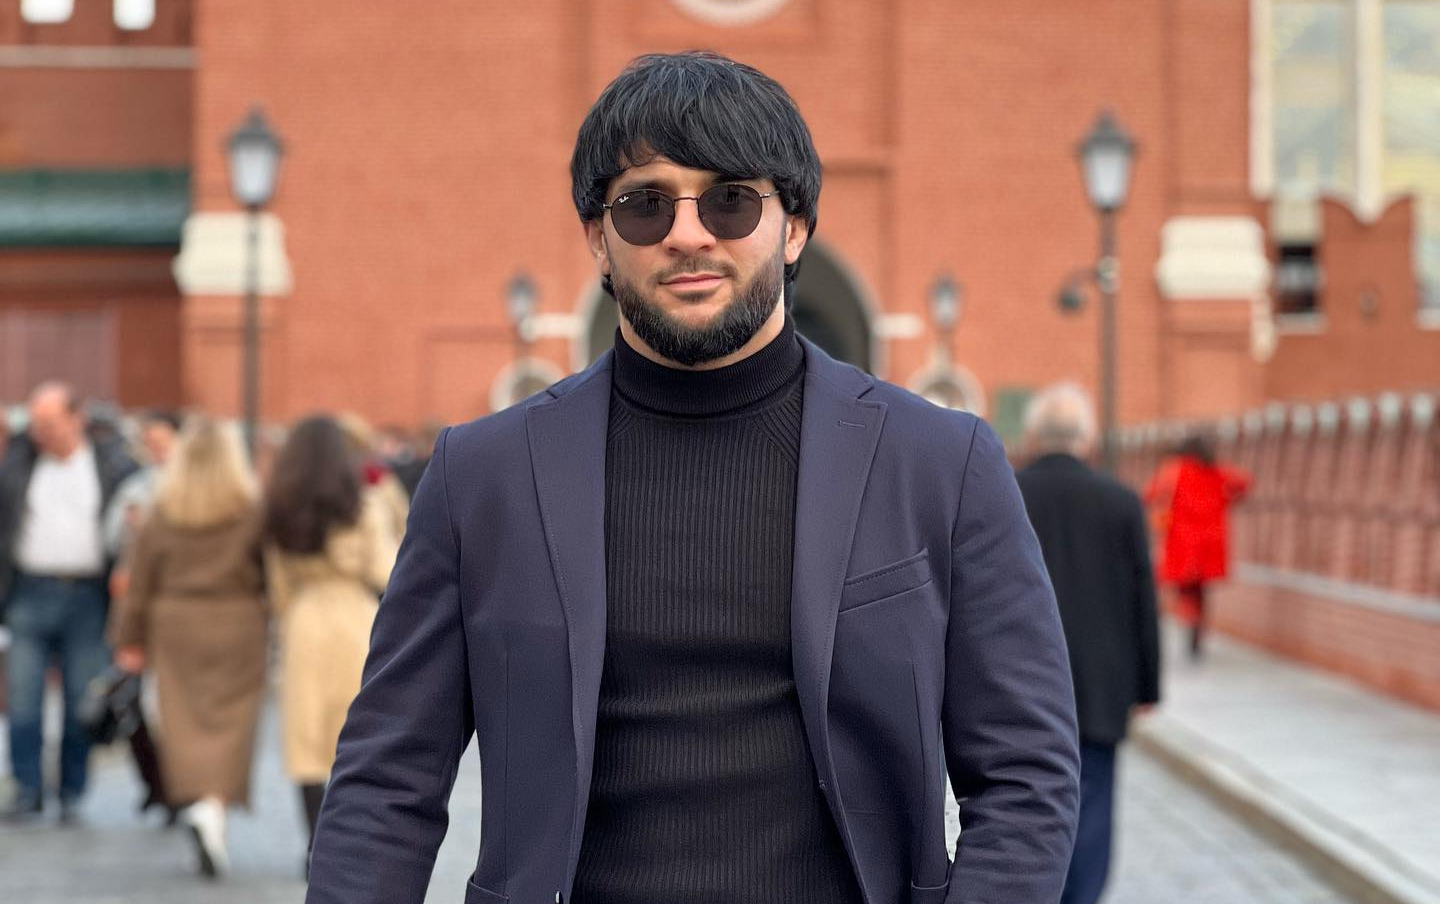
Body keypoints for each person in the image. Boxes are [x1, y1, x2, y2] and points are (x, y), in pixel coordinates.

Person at [306, 52, 1079, 904]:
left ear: (794, 227)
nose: (688, 234)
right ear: (598, 239)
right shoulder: (481, 477)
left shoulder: (939, 464)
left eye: (730, 200)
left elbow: (1026, 775)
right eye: (645, 205)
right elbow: (387, 784)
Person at [1015, 384, 1162, 904]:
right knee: (1092, 804)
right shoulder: (1120, 502)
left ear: (1034, 435)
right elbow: (1143, 597)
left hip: (1021, 683)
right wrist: (1147, 685)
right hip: (1102, 685)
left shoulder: (1009, 491)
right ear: (1087, 437)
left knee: (1024, 802)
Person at [109, 416, 268, 877]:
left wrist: (129, 638)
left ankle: (197, 802)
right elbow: (270, 573)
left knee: (181, 721)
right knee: (232, 723)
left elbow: (140, 583)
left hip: (175, 624)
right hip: (239, 621)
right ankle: (214, 807)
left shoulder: (162, 511)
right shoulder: (251, 510)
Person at [262, 415, 398, 870]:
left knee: (305, 738)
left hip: (304, 620)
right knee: (353, 735)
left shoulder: (280, 508)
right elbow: (384, 569)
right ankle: (349, 842)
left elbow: (277, 586)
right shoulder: (362, 502)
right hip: (354, 617)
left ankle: (313, 844)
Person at [0, 381, 138, 821]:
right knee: (23, 698)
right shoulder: (19, 464)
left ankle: (72, 793)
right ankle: (26, 788)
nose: (40, 432)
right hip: (29, 591)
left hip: (87, 595)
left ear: (77, 418)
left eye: (49, 422)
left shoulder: (109, 465)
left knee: (83, 698)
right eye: (35, 423)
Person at [104, 407, 184, 821]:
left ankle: (180, 788)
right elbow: (109, 540)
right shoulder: (134, 487)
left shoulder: (200, 488)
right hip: (138, 606)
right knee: (137, 701)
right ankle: (158, 785)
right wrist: (128, 526)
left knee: (176, 706)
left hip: (180, 608)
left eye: (162, 441)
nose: (156, 449)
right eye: (150, 442)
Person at [1144, 433, 1251, 659]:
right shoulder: (1216, 471)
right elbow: (1244, 483)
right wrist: (1224, 501)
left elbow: (1150, 494)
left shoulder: (1174, 470)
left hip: (1182, 540)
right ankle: (1196, 626)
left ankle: (1189, 619)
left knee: (1185, 587)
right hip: (1210, 541)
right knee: (1200, 589)